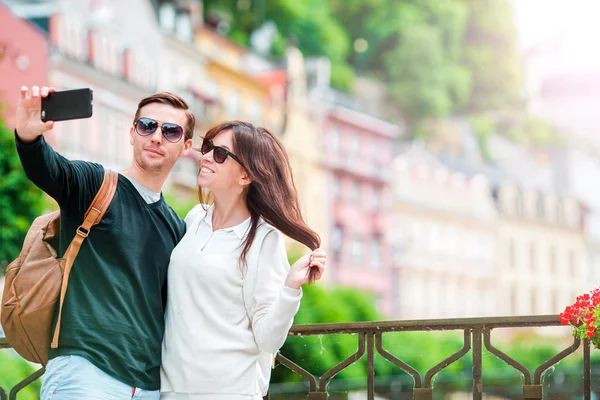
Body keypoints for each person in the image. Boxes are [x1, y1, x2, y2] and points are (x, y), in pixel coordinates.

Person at [14, 85, 194, 399]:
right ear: (132, 133)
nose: (156, 137)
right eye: (147, 125)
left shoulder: (177, 227)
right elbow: (49, 169)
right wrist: (29, 138)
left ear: (186, 146)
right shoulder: (95, 184)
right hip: (85, 376)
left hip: (149, 388)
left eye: (171, 131)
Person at [160, 121, 327, 400]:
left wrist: (290, 288)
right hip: (172, 387)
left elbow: (268, 339)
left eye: (221, 154)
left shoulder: (264, 239)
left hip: (228, 391)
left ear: (246, 176)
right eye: (208, 147)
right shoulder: (195, 218)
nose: (207, 157)